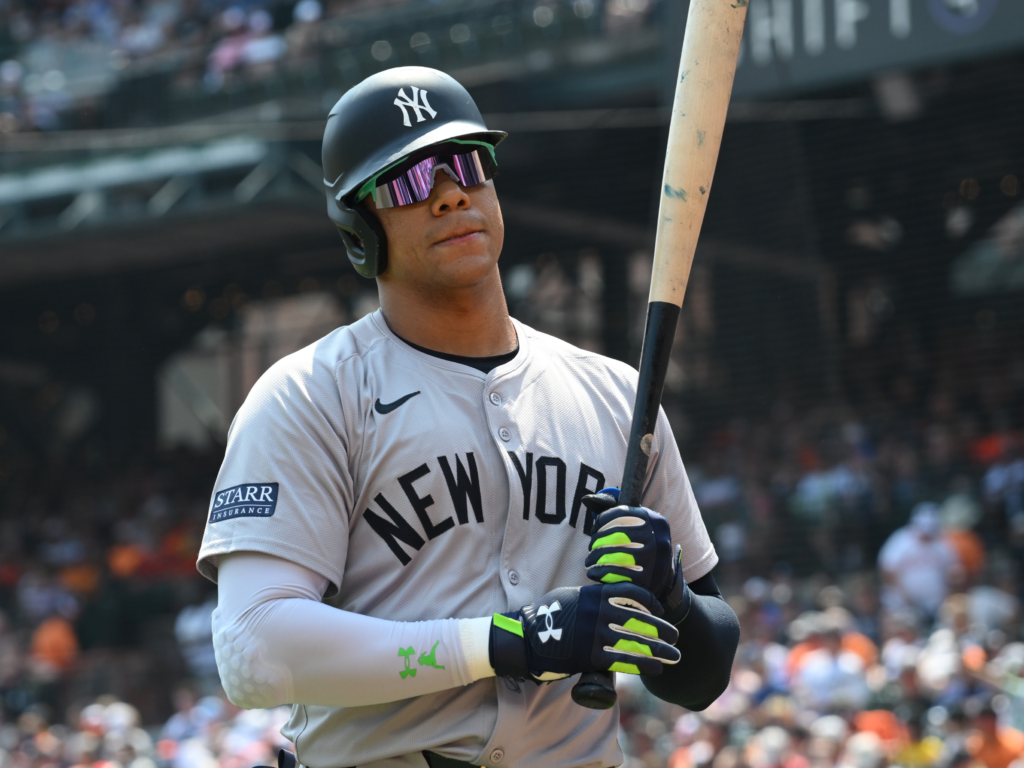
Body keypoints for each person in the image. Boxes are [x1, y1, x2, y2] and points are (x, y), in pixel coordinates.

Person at [196, 66, 739, 768]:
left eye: (468, 165)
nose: (451, 194)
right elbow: (253, 652)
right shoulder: (310, 394)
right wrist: (506, 641)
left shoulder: (616, 395)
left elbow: (701, 680)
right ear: (359, 229)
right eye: (409, 181)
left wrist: (672, 598)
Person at [878, 502, 960, 622]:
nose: (926, 537)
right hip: (905, 604)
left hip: (938, 604)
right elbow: (887, 570)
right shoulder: (900, 540)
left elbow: (954, 570)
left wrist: (949, 592)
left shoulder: (942, 541)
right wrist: (905, 595)